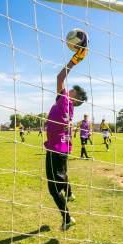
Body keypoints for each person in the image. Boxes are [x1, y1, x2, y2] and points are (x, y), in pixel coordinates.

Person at [44, 45, 88, 231]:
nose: (69, 90)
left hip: (55, 148)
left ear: (75, 99)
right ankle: (69, 192)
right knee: (60, 179)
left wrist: (74, 60)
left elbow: (60, 77)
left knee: (53, 188)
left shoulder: (65, 100)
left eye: (73, 91)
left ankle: (67, 218)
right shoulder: (66, 105)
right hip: (60, 148)